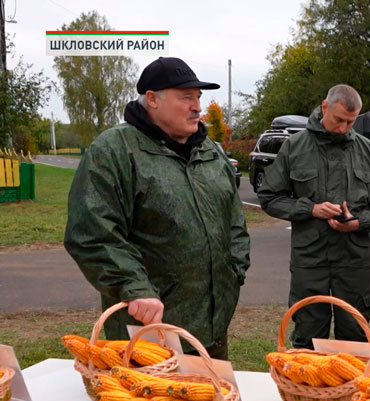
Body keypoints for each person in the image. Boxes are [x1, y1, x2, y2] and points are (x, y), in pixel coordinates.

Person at [64, 57, 250, 359]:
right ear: (152, 99)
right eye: (186, 97)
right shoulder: (114, 151)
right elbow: (92, 233)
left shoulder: (211, 152)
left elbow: (234, 221)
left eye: (198, 98)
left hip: (213, 324)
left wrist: (234, 270)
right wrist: (134, 287)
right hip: (148, 328)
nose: (197, 107)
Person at [258, 85, 370, 349]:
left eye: (350, 122)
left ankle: (352, 390)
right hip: (310, 261)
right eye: (338, 120)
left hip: (352, 261)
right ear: (324, 107)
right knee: (308, 337)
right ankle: (307, 392)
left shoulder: (366, 150)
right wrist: (310, 209)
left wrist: (358, 222)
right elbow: (269, 198)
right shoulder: (295, 147)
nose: (343, 128)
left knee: (355, 339)